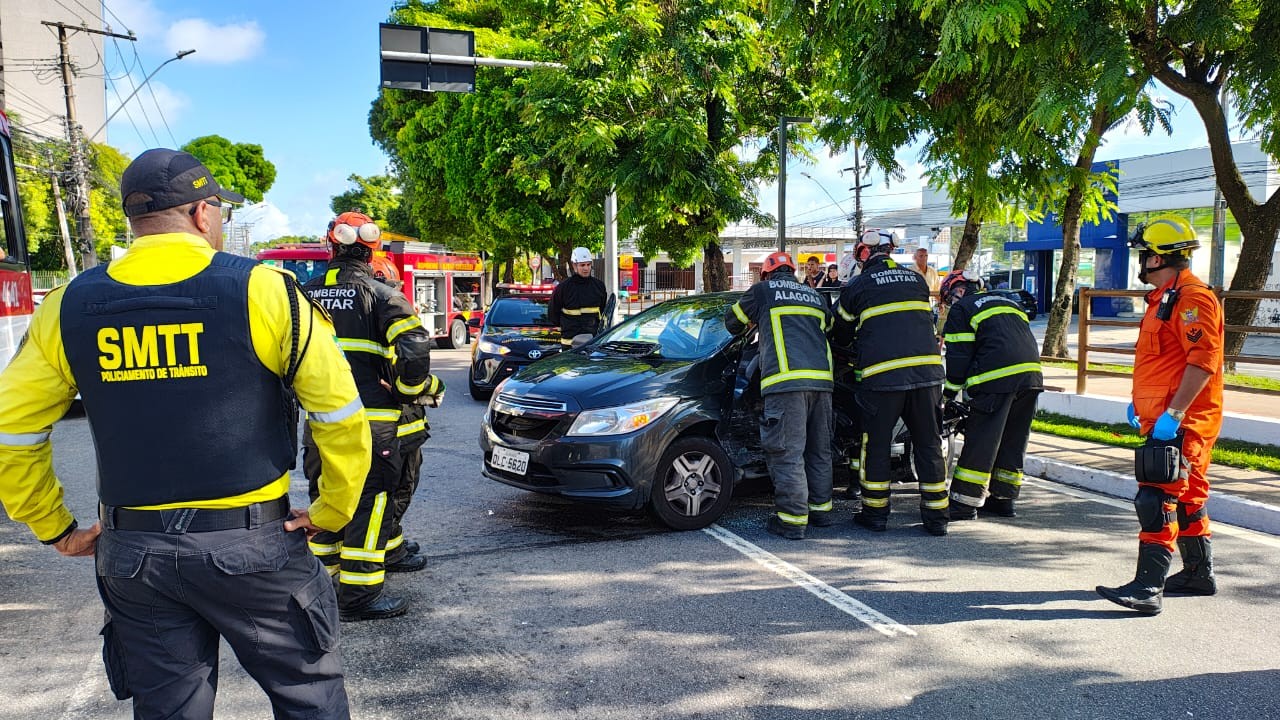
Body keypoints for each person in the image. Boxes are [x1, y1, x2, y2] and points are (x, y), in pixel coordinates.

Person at [0, 148, 370, 718]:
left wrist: (55, 528)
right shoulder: (263, 290)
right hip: (254, 547)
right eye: (219, 210)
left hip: (134, 556)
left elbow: (13, 430)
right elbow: (339, 415)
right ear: (202, 213)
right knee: (310, 699)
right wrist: (334, 507)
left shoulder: (69, 304)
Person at [302, 211, 441, 621]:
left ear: (331, 243)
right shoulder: (381, 295)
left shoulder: (302, 294)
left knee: (326, 496)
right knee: (371, 502)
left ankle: (320, 581)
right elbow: (415, 347)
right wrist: (406, 391)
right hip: (373, 420)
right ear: (373, 247)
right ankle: (358, 595)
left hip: (321, 422)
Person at [1097, 216, 1224, 615]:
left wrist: (1173, 412)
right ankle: (1198, 574)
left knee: (1156, 497)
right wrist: (1142, 403)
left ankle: (1147, 588)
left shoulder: (1192, 299)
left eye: (1145, 253)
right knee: (1188, 497)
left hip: (1183, 421)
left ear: (1158, 258)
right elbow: (1163, 361)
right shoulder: (1165, 299)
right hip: (1165, 417)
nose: (1141, 260)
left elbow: (1202, 362)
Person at [834, 229, 949, 536]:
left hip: (883, 379)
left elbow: (840, 333)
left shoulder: (858, 285)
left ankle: (875, 514)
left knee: (877, 445)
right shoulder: (916, 281)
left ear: (863, 254)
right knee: (928, 443)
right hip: (926, 377)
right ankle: (936, 517)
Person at [725, 251, 835, 539]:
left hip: (785, 384)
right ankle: (820, 512)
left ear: (766, 274)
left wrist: (755, 321)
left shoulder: (763, 291)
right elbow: (831, 327)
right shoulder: (814, 295)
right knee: (818, 450)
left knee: (786, 452)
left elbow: (732, 322)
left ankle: (793, 520)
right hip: (822, 383)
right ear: (793, 272)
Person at [938, 269, 1043, 520]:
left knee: (982, 440)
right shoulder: (1009, 301)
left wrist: (949, 396)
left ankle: (964, 504)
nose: (950, 303)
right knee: (1013, 439)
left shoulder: (962, 308)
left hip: (995, 380)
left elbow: (959, 357)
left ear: (959, 291)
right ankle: (1003, 500)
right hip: (1031, 377)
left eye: (949, 297)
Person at [369, 254, 430, 568]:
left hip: (372, 423)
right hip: (399, 423)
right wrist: (428, 388)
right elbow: (409, 368)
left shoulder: (358, 315)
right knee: (398, 486)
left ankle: (391, 543)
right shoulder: (390, 313)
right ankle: (389, 550)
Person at [547, 246, 609, 347]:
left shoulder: (599, 286)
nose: (586, 268)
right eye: (582, 265)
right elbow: (553, 314)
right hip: (570, 344)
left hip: (592, 342)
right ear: (574, 265)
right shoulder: (563, 288)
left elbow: (603, 311)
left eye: (588, 264)